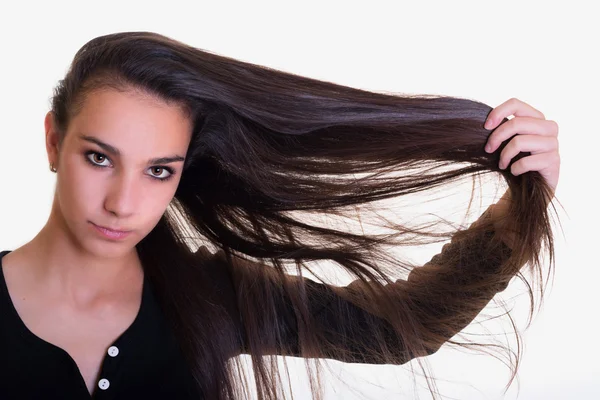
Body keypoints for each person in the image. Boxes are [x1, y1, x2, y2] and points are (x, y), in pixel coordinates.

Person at [0, 31, 560, 400]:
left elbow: (395, 329)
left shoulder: (207, 295)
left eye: (158, 171)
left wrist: (517, 216)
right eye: (99, 158)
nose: (123, 203)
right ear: (53, 141)